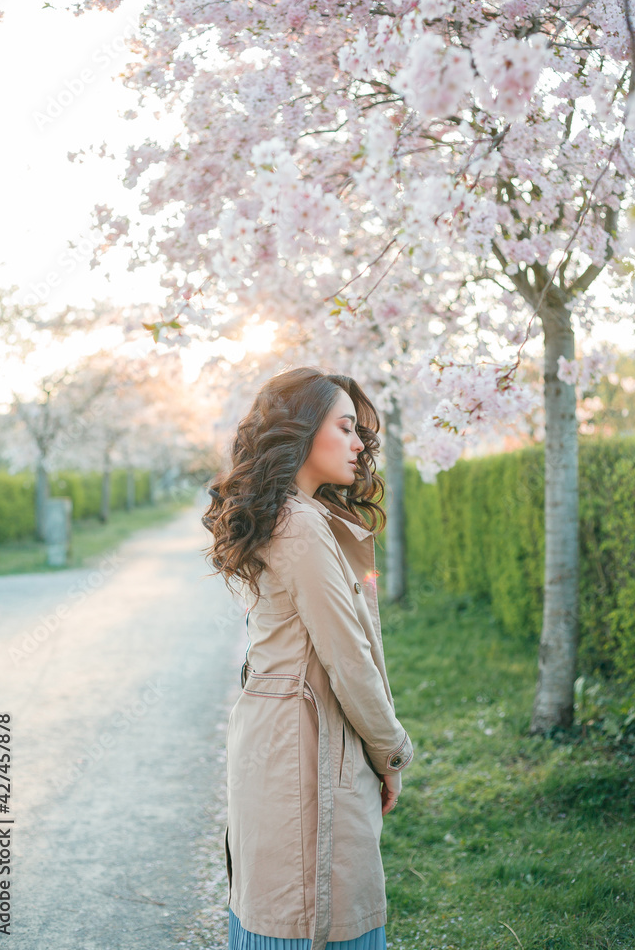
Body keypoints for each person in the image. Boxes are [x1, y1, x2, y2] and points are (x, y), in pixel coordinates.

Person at [201, 366, 414, 950]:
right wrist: (392, 753)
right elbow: (350, 661)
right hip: (305, 749)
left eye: (358, 433)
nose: (358, 445)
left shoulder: (290, 516)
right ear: (300, 433)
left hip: (280, 744)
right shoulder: (300, 526)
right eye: (345, 428)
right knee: (311, 914)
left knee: (279, 907)